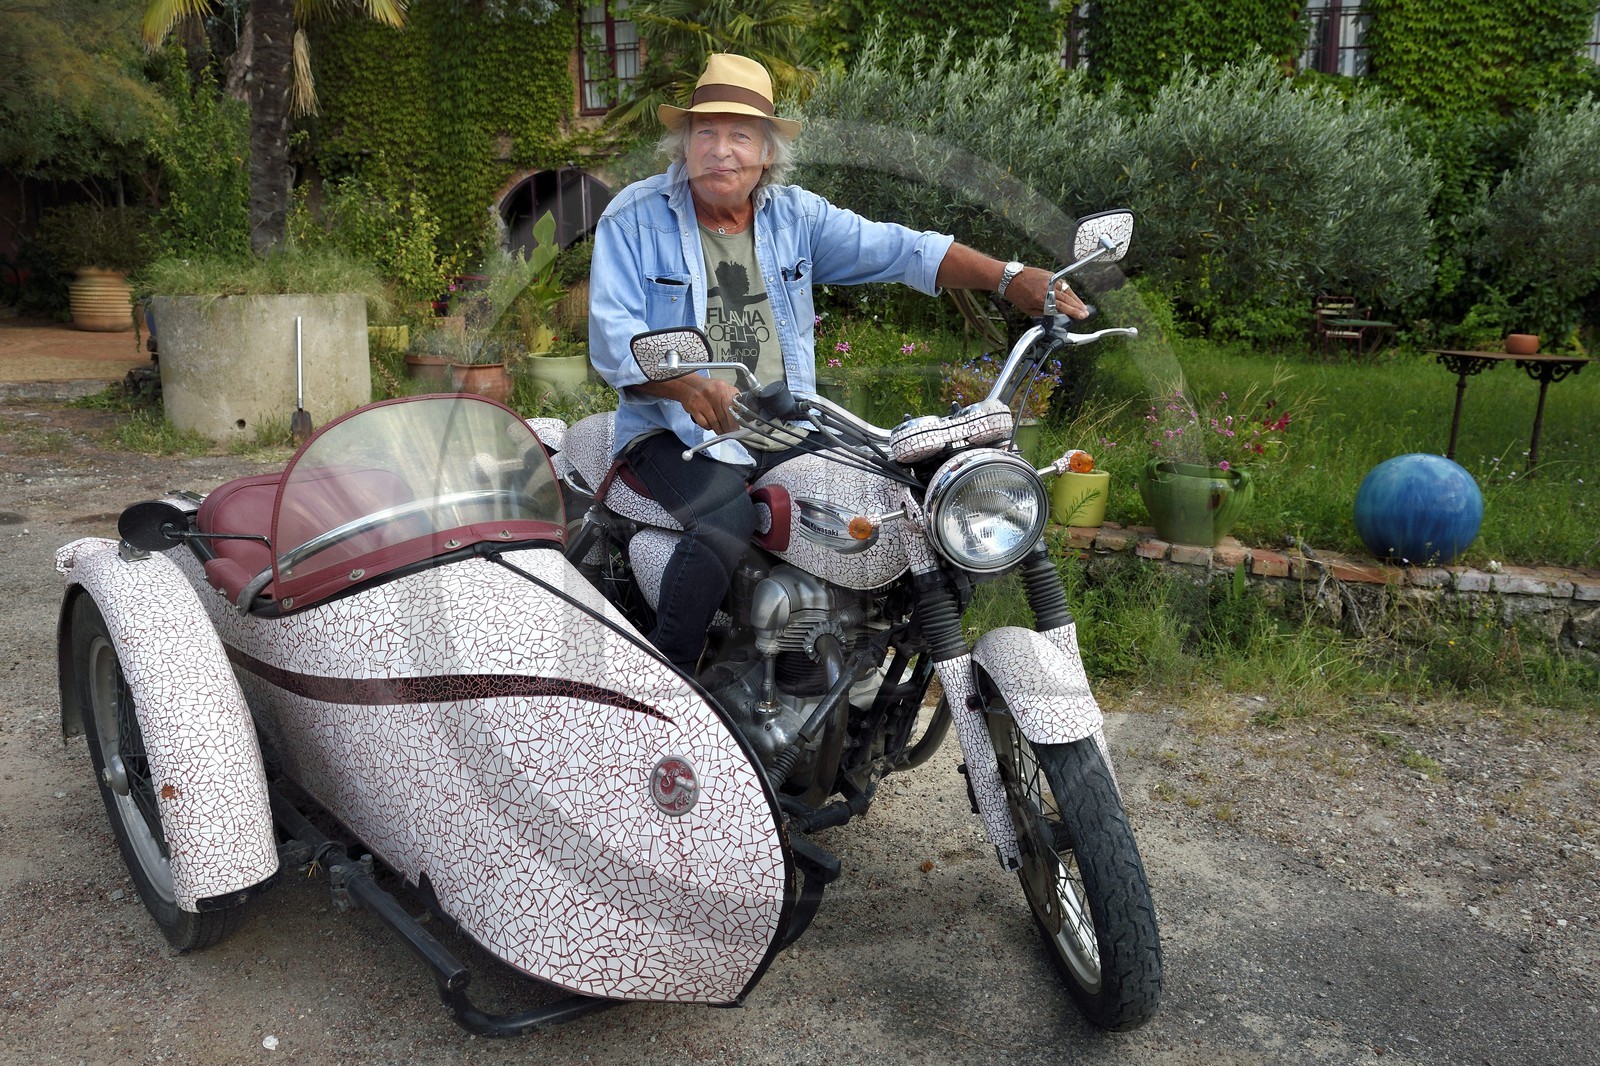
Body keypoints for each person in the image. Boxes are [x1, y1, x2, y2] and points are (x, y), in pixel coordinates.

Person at [588, 52, 1088, 674]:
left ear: (766, 152)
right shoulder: (633, 217)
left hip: (785, 426)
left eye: (740, 135)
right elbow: (613, 337)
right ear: (684, 143)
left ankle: (825, 679)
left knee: (885, 512)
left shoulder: (796, 217)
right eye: (706, 133)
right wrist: (687, 382)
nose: (722, 150)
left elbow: (902, 249)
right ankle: (670, 692)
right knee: (723, 522)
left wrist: (1009, 277)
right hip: (672, 434)